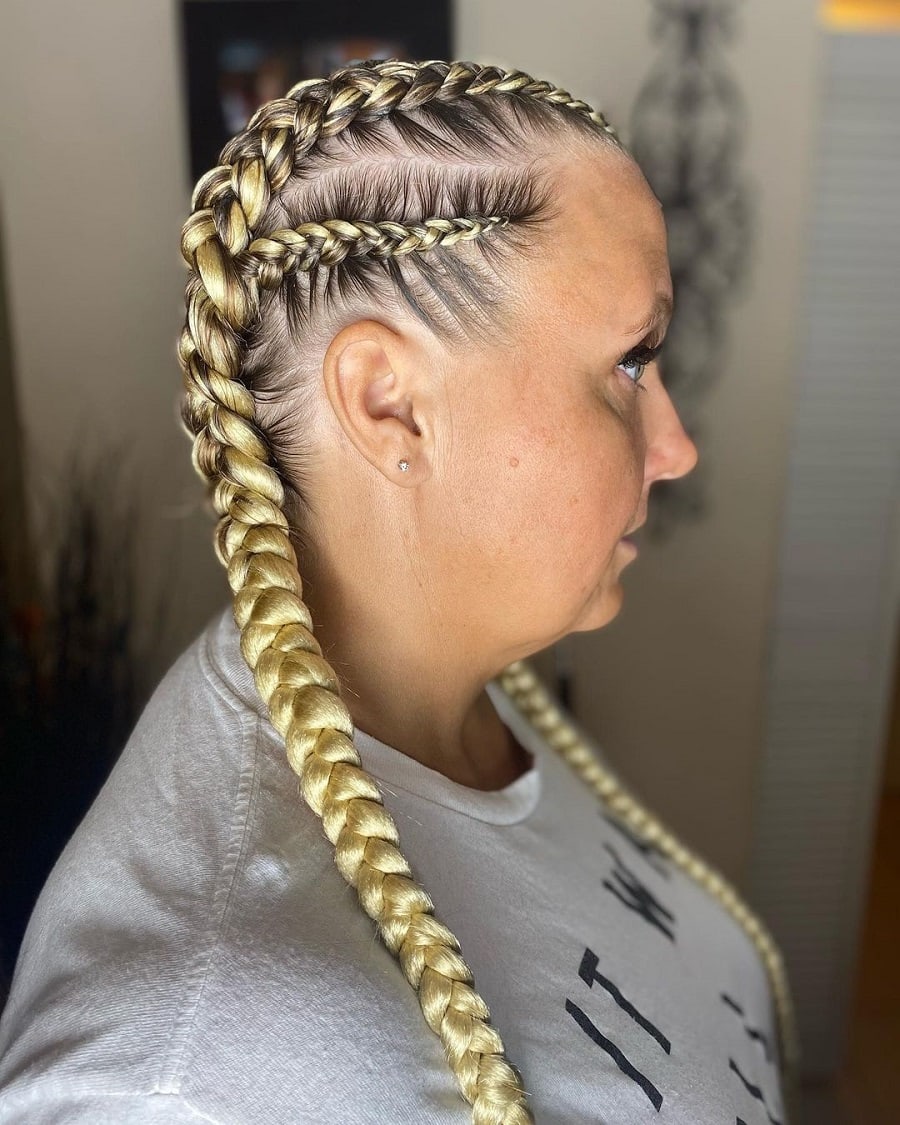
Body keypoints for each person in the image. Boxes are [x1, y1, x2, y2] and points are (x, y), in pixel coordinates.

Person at [0, 60, 797, 1123]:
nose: (678, 447)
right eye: (630, 363)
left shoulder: (462, 696)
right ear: (390, 407)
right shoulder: (190, 1070)